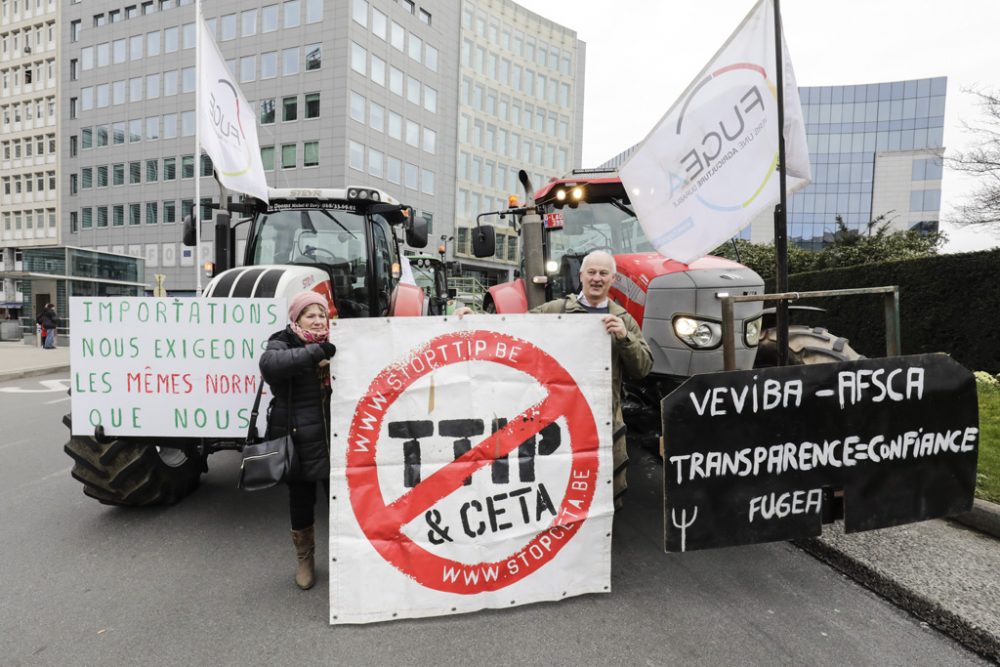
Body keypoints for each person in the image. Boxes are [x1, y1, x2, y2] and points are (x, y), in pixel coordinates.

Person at [458, 251, 653, 508]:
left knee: (606, 489)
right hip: (557, 419)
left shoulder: (623, 320)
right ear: (581, 276)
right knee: (557, 484)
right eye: (591, 272)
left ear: (613, 279)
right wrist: (475, 320)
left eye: (603, 273)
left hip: (605, 421)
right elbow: (513, 329)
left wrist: (625, 337)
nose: (597, 278)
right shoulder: (556, 311)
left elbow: (643, 369)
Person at [259, 291, 337, 590]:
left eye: (322, 315)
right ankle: (305, 559)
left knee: (342, 503)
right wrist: (316, 353)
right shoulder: (283, 340)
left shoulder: (340, 338)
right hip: (298, 438)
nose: (318, 321)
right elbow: (270, 366)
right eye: (310, 315)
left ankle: (348, 557)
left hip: (335, 438)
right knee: (301, 502)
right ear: (296, 318)